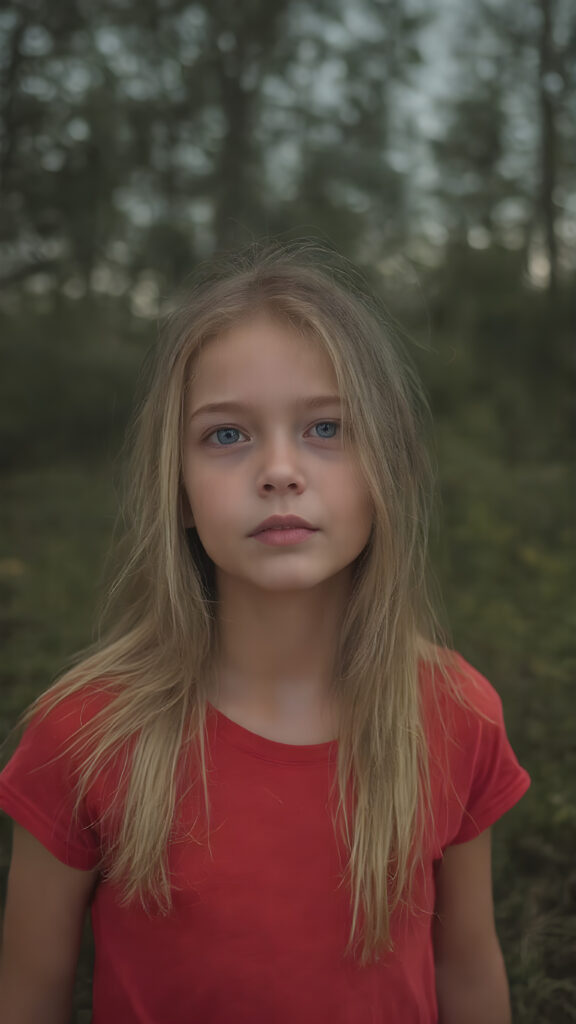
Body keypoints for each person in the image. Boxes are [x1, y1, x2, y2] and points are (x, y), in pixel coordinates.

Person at [0, 244, 530, 1024]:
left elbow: (470, 973)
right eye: (226, 436)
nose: (279, 471)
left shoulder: (456, 713)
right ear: (175, 490)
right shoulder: (84, 731)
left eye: (325, 427)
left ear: (388, 468)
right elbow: (29, 994)